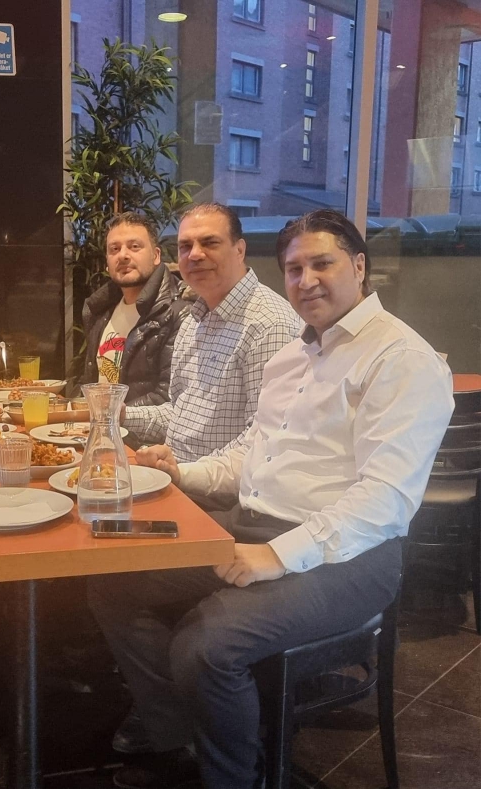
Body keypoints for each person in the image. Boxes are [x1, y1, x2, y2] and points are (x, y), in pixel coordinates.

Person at [88, 209, 454, 789]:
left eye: (322, 263)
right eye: (294, 268)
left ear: (359, 266)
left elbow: (385, 500)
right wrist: (183, 473)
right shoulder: (292, 357)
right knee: (115, 582)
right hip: (256, 526)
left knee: (207, 645)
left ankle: (238, 778)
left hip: (352, 559)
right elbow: (250, 455)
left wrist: (279, 554)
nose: (306, 280)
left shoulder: (402, 359)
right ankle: (183, 737)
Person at [123, 203, 301, 461]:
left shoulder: (270, 324)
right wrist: (116, 413)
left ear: (239, 250)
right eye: (185, 246)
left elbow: (261, 443)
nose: (195, 254)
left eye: (209, 243)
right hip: (175, 473)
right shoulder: (193, 319)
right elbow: (179, 414)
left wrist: (183, 474)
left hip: (215, 485)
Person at [75, 212, 187, 407]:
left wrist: (112, 416)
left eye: (134, 247)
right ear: (107, 262)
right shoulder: (100, 310)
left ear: (156, 256)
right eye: (114, 249)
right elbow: (90, 384)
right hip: (97, 424)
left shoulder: (178, 313)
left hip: (138, 428)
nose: (123, 255)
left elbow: (168, 397)